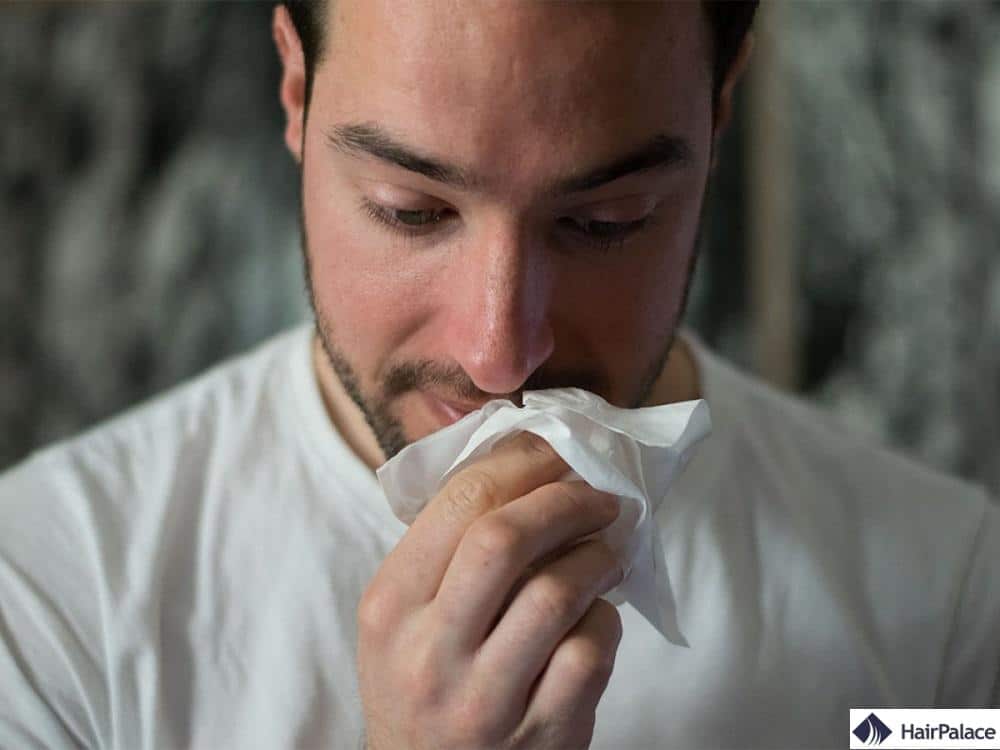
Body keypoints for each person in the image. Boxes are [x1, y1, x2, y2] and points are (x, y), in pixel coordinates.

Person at [1, 1, 997, 748]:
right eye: (411, 209)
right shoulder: (48, 605)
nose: (498, 353)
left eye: (605, 223)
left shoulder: (945, 610)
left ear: (721, 106)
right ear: (296, 88)